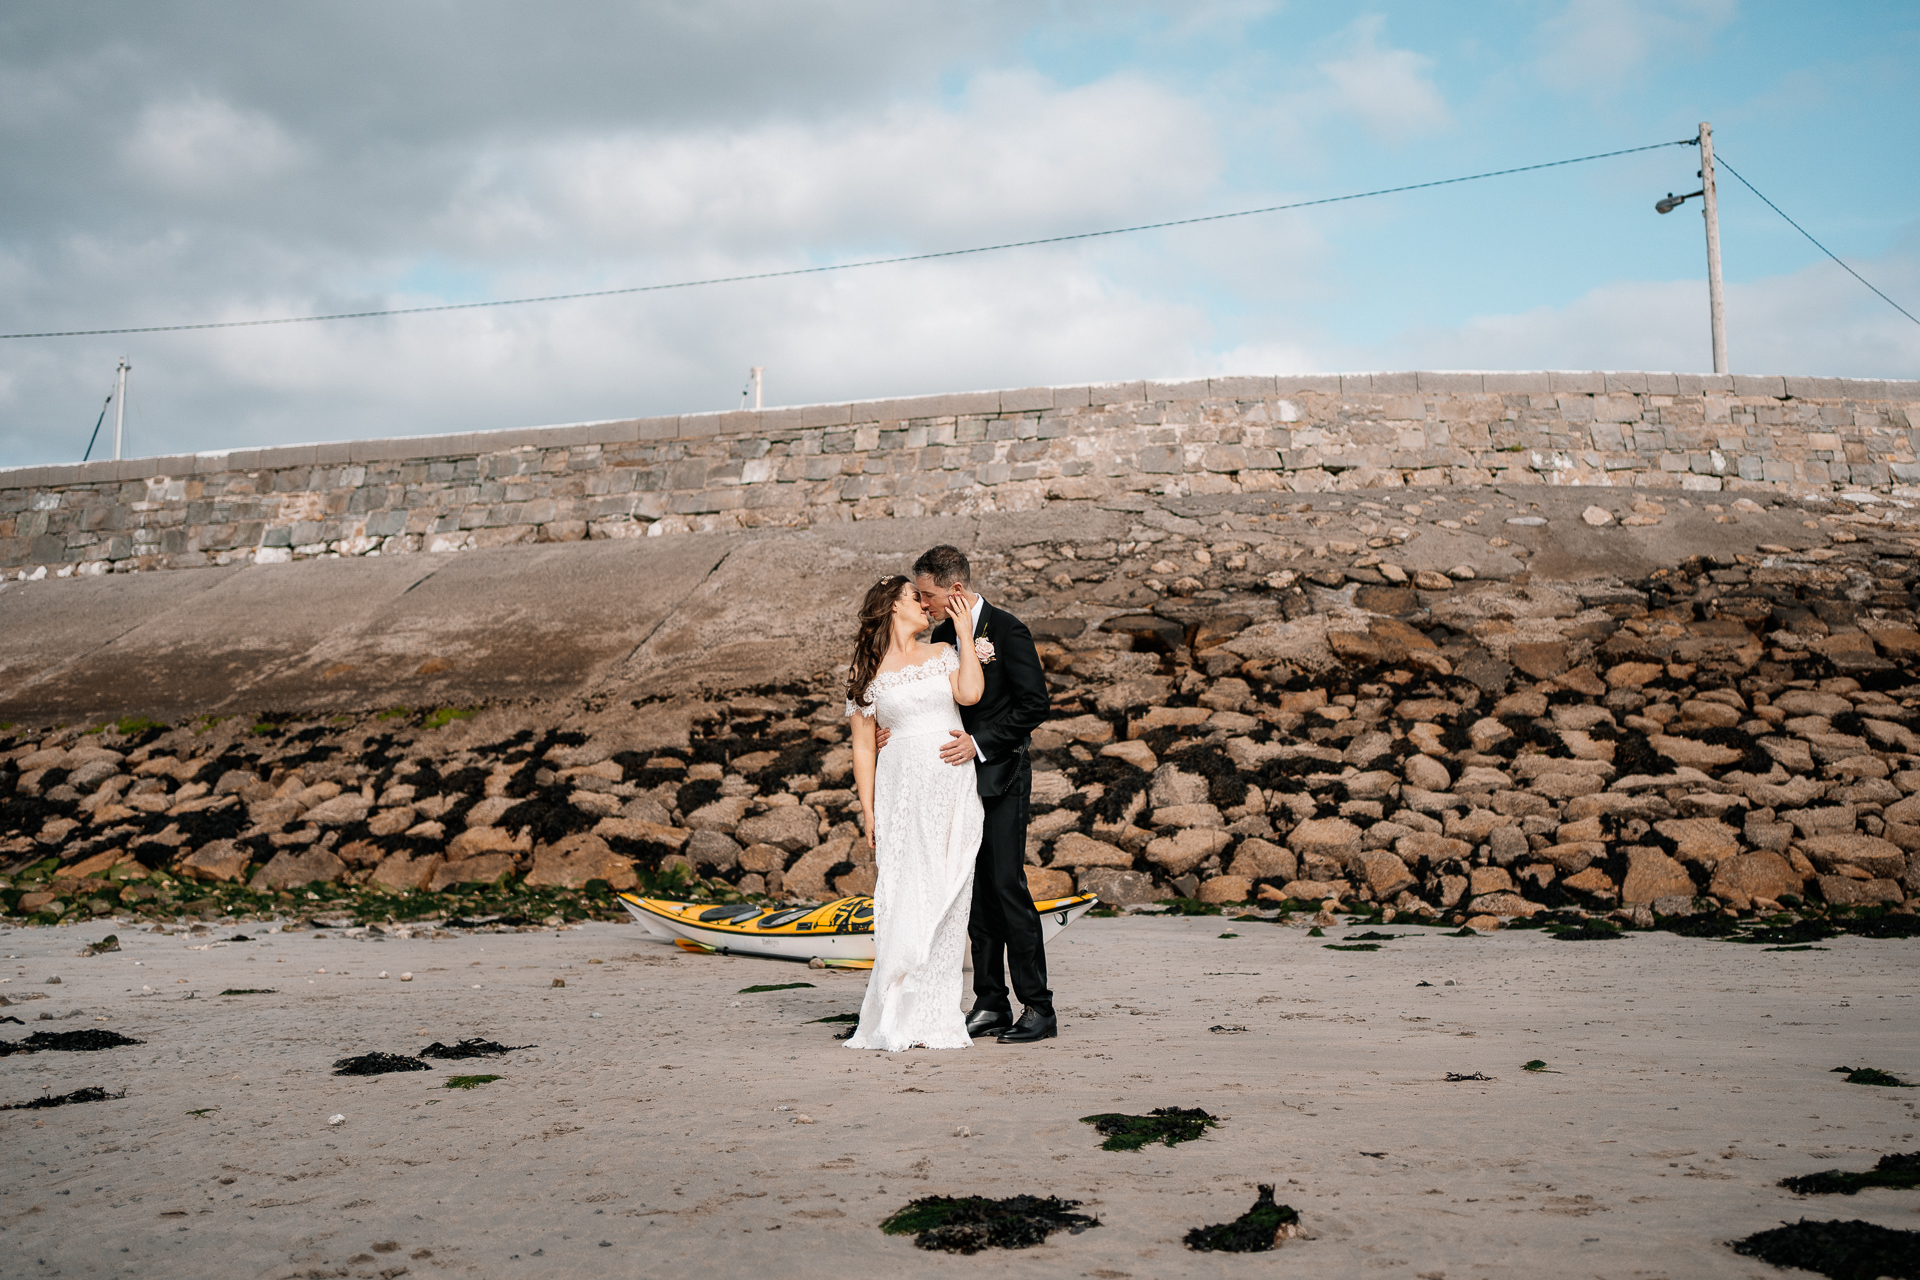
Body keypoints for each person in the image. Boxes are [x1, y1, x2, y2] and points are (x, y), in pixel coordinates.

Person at [915, 545, 1056, 1044]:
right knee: (972, 897)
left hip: (1002, 776)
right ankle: (990, 1002)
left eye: (927, 594)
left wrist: (980, 742)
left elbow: (1034, 704)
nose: (922, 602)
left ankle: (1038, 1007)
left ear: (955, 590)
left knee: (1005, 887)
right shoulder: (939, 636)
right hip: (954, 783)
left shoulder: (1007, 629)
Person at [842, 575, 986, 1052]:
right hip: (900, 789)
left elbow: (969, 697)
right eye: (913, 598)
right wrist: (868, 811)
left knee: (948, 886)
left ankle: (936, 1012)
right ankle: (897, 1003)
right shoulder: (866, 674)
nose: (925, 605)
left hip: (950, 783)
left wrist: (964, 636)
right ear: (891, 607)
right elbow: (864, 749)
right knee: (905, 890)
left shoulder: (943, 652)